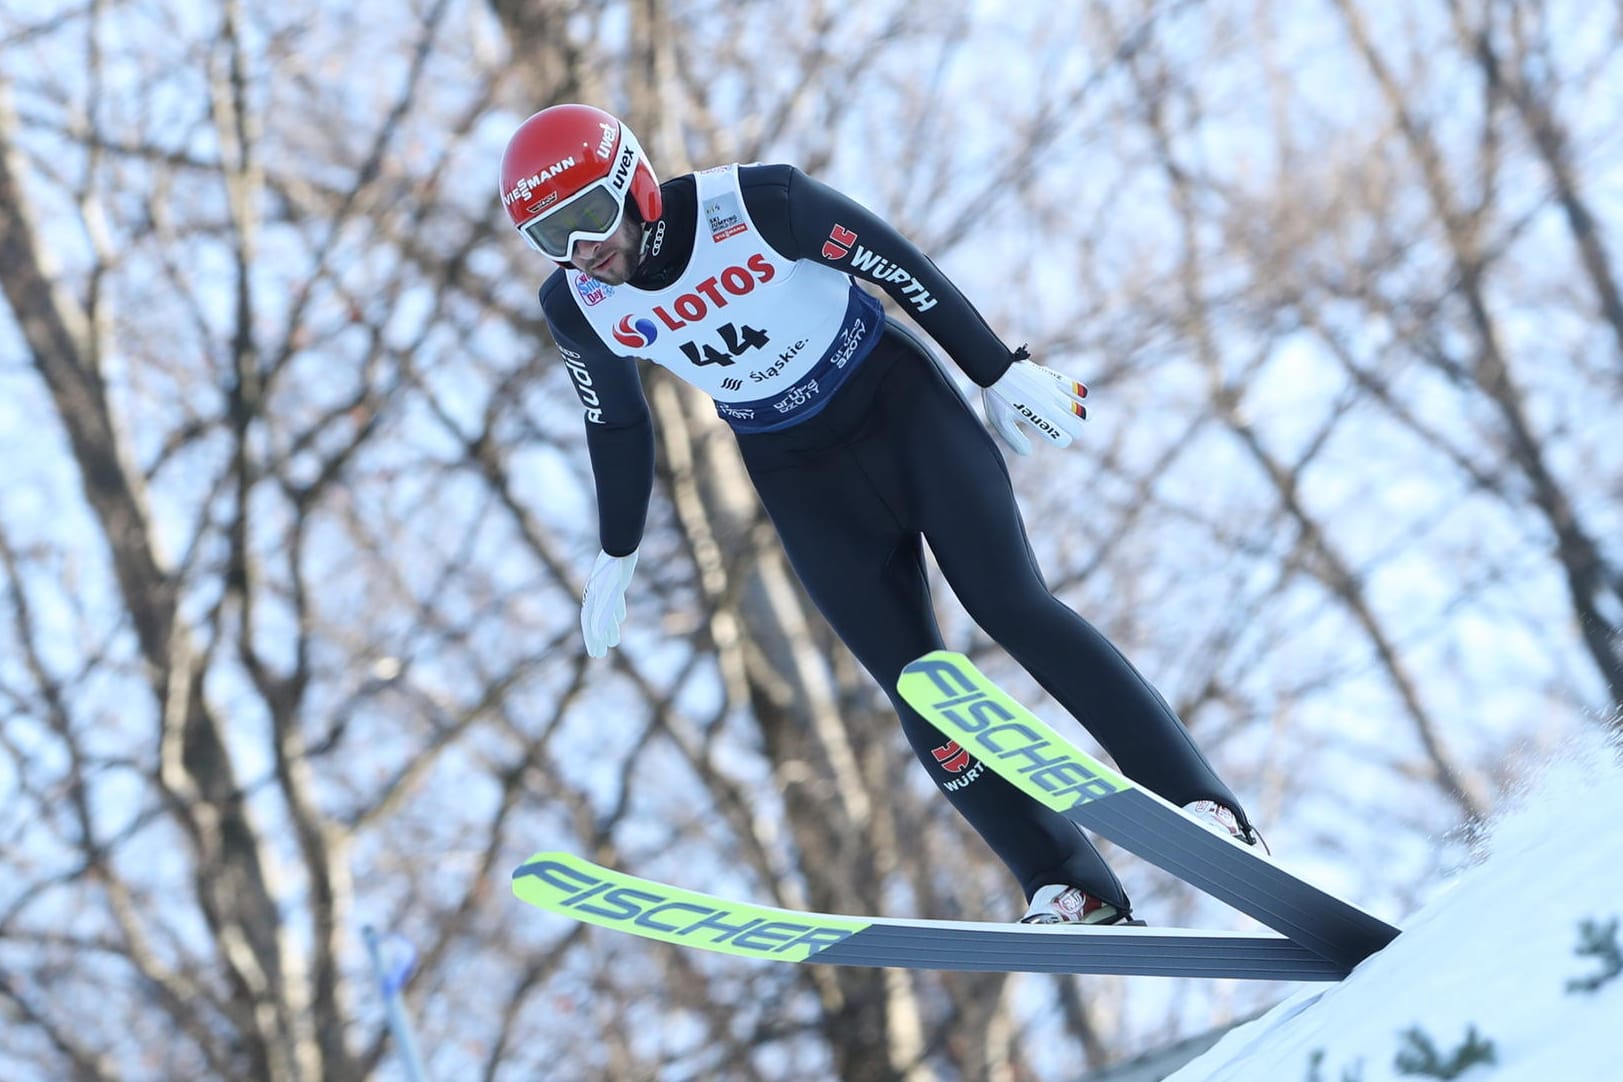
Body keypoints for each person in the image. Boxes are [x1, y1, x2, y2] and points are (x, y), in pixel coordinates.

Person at [500, 103, 1258, 925]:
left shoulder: (755, 205)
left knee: (1012, 607)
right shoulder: (579, 304)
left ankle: (1196, 802)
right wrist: (616, 553)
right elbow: (614, 420)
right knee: (917, 687)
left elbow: (901, 268)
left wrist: (997, 372)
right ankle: (1063, 880)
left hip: (900, 410)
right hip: (796, 474)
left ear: (633, 182)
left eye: (587, 218)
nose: (582, 250)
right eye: (551, 237)